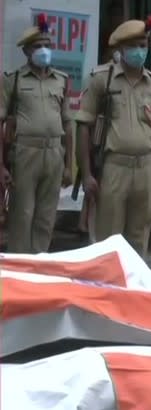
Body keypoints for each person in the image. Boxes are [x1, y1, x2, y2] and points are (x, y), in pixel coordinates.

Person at [77, 18, 151, 259]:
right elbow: (83, 126)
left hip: (146, 169)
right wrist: (87, 173)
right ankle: (105, 293)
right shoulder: (102, 79)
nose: (140, 51)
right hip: (113, 168)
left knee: (139, 240)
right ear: (121, 49)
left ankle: (132, 293)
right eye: (134, 45)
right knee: (107, 241)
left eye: (144, 45)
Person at [0, 16, 73, 253]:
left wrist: (69, 164)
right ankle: (19, 274)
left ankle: (40, 268)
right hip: (24, 153)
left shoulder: (60, 80)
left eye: (47, 45)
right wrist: (1, 165)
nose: (44, 50)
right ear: (27, 51)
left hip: (53, 153)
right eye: (38, 46)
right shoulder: (14, 79)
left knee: (46, 216)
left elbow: (68, 123)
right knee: (22, 215)